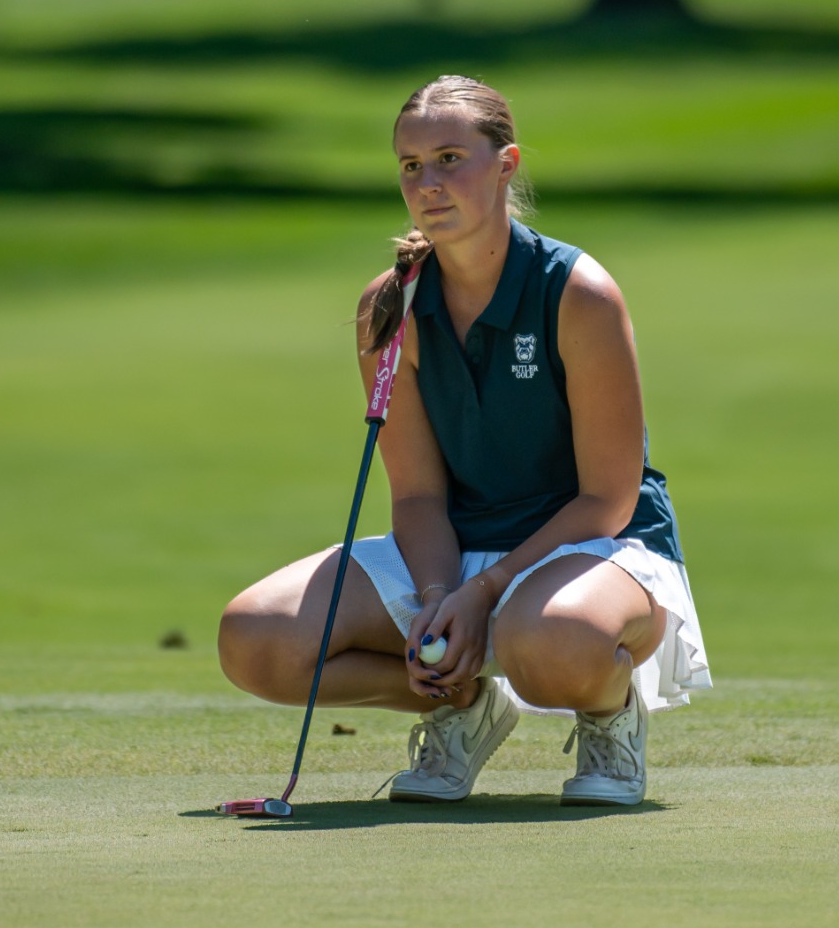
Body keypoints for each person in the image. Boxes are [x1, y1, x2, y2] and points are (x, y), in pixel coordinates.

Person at [218, 75, 711, 806]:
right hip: (453, 551)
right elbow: (417, 493)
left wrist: (482, 593)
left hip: (594, 550)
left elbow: (607, 500)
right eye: (412, 166)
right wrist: (439, 599)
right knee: (255, 639)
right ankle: (462, 704)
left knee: (544, 641)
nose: (429, 183)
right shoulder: (389, 304)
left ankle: (608, 716)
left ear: (506, 165)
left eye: (451, 159)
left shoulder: (579, 292)